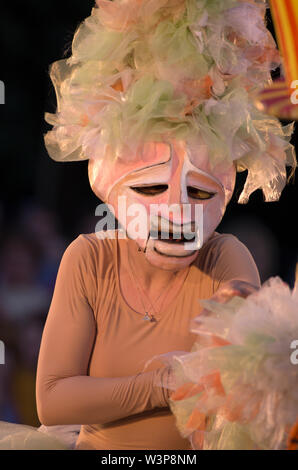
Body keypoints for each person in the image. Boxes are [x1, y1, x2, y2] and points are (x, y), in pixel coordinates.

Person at [0, 0, 296, 450]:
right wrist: (161, 385)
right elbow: (54, 400)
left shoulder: (225, 257)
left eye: (199, 192)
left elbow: (242, 390)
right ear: (112, 185)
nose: (177, 213)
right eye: (151, 188)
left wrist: (256, 345)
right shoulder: (89, 259)